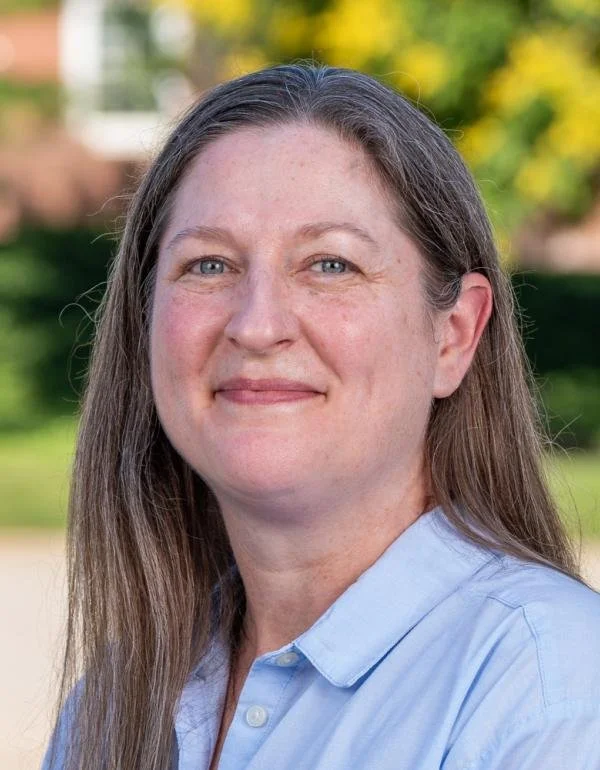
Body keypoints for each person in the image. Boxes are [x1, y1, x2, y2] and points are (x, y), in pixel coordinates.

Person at [43, 63, 600, 770]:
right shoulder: (114, 707)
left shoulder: (549, 691)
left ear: (454, 335)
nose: (257, 324)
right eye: (209, 265)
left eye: (330, 264)